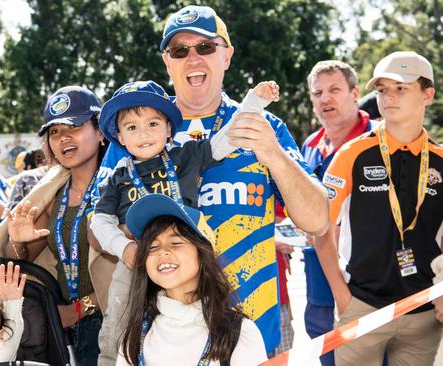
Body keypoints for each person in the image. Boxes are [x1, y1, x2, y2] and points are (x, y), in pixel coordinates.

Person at [97, 5, 329, 357]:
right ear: (167, 61)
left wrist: (273, 154)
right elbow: (97, 228)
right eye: (180, 51)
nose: (193, 59)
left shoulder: (263, 125)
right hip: (164, 334)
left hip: (252, 325)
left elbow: (317, 220)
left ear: (227, 55)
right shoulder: (137, 133)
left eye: (206, 47)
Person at [91, 79, 279, 361]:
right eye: (132, 127)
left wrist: (254, 102)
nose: (143, 134)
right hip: (136, 259)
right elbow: (99, 220)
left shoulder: (186, 156)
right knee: (117, 330)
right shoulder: (119, 176)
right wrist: (124, 248)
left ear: (169, 129)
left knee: (211, 313)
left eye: (153, 124)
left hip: (188, 255)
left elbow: (226, 139)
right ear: (120, 137)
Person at [316, 51, 442, 365]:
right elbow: (320, 230)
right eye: (383, 89)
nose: (388, 97)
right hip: (360, 305)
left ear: (427, 95)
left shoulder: (440, 159)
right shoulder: (351, 154)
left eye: (401, 88)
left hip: (424, 310)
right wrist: (342, 298)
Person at [1, 86, 106, 366]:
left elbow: (132, 267)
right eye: (55, 131)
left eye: (75, 125)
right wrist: (19, 241)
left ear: (101, 131)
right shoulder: (50, 192)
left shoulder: (119, 186)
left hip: (110, 323)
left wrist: (81, 309)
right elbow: (17, 263)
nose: (64, 137)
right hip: (58, 324)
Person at [116, 193, 267, 365]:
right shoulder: (135, 337)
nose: (162, 251)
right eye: (153, 246)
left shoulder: (239, 332)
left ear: (202, 254)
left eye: (176, 243)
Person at [301, 60, 376, 366]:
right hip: (318, 268)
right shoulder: (309, 147)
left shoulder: (381, 139)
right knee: (323, 339)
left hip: (372, 273)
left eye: (334, 90)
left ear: (355, 93)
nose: (325, 99)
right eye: (317, 93)